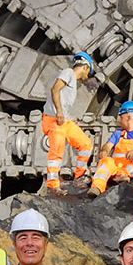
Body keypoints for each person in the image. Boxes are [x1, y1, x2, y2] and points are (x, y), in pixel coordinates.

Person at [40, 51, 96, 194]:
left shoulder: (72, 80)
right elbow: (55, 90)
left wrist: (68, 116)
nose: (86, 77)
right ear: (85, 67)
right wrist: (59, 112)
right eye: (88, 72)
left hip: (64, 121)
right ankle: (53, 185)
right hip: (53, 120)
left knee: (85, 144)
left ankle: (79, 176)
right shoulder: (68, 72)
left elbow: (63, 100)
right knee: (56, 153)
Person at [87, 101, 133, 198]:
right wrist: (104, 151)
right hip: (116, 168)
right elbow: (108, 145)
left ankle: (124, 174)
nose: (119, 119)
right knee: (106, 161)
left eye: (121, 116)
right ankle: (97, 188)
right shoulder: (118, 133)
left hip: (132, 172)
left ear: (128, 117)